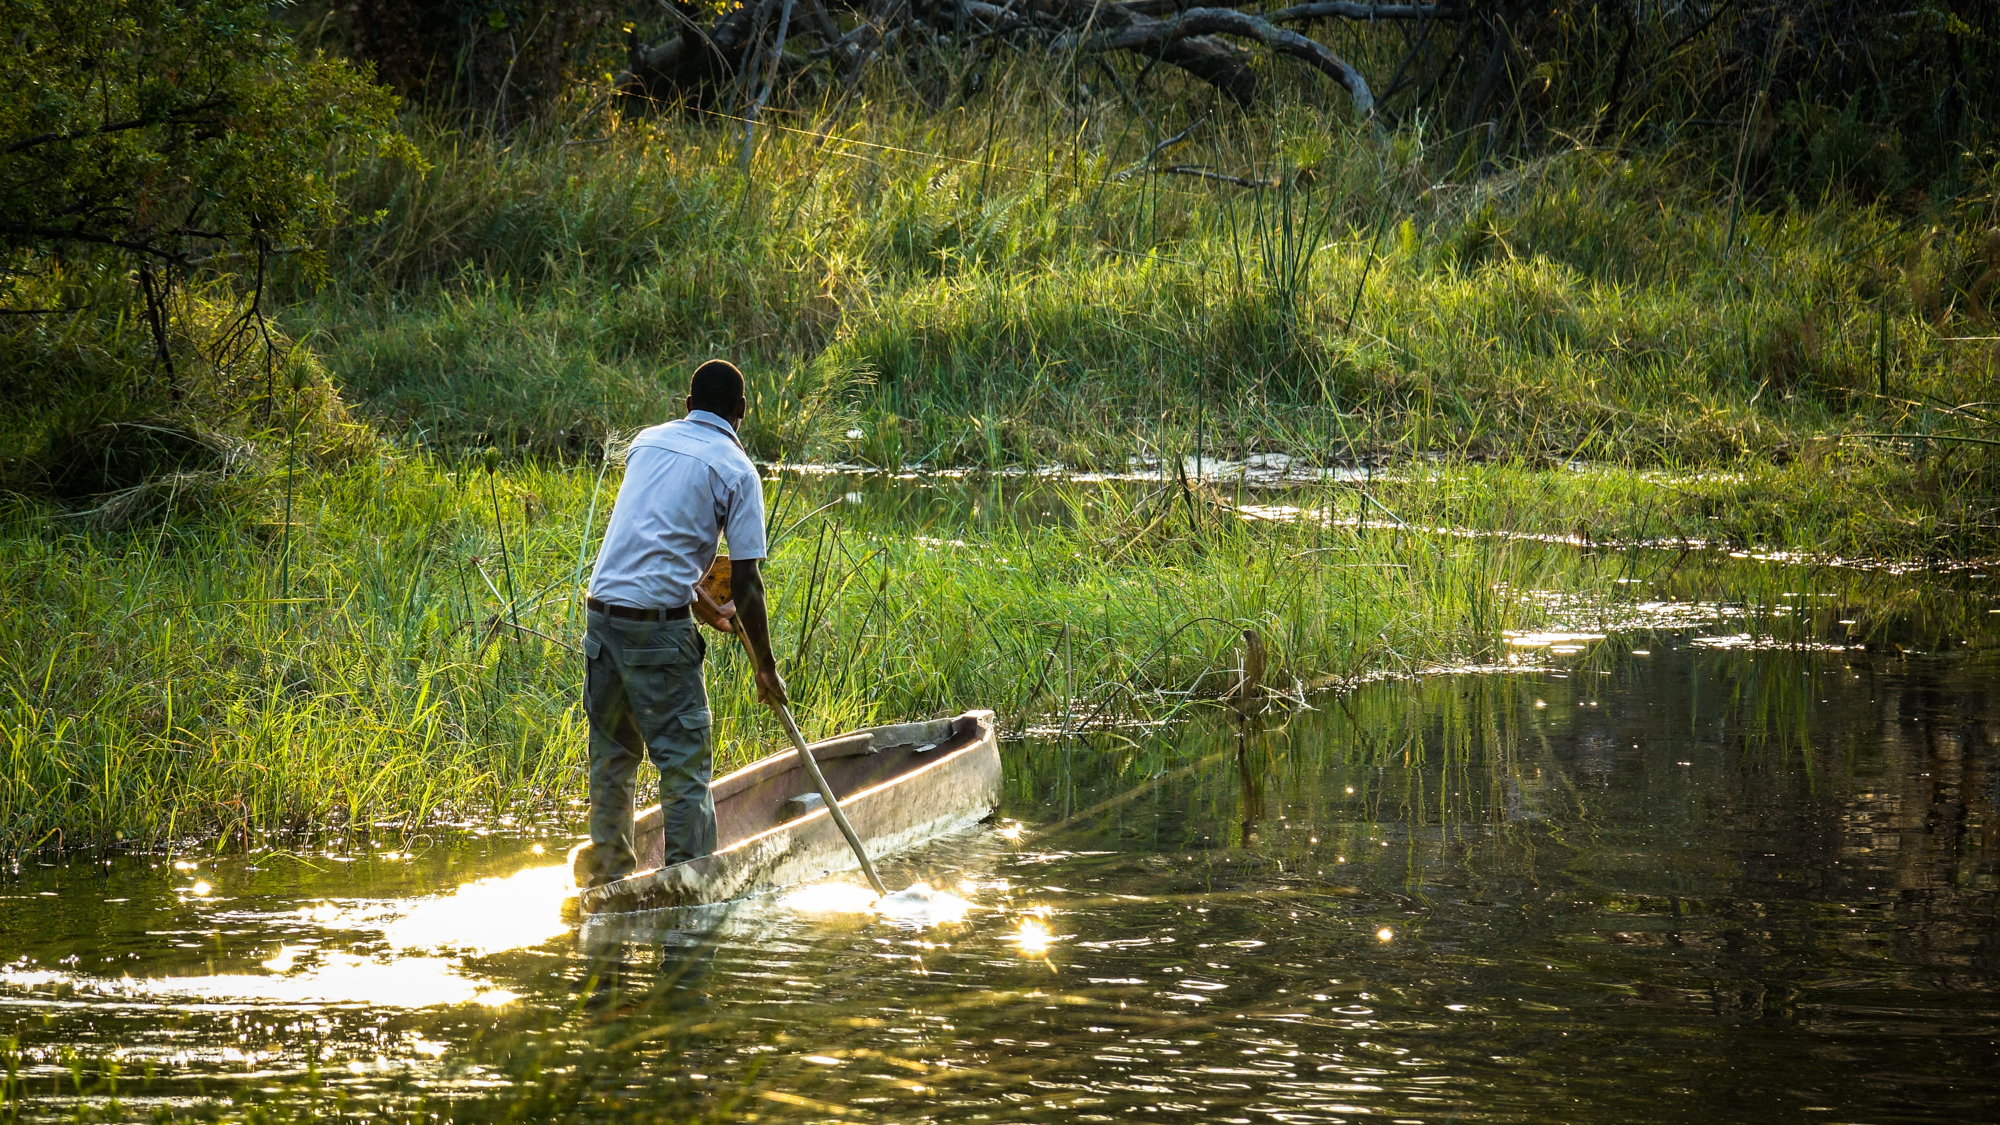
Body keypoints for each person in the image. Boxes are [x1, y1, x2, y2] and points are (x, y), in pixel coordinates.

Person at [580, 359, 787, 887]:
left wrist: (698, 600)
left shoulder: (647, 442)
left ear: (688, 406)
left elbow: (654, 543)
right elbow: (746, 584)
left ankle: (606, 885)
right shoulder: (739, 472)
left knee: (612, 762)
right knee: (684, 769)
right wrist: (765, 668)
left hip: (601, 618)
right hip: (657, 632)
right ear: (742, 411)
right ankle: (690, 894)